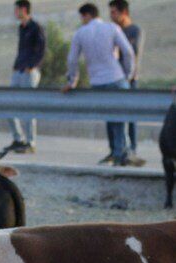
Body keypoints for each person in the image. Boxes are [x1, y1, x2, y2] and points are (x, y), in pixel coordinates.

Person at [64, 3, 136, 167]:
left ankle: (115, 151)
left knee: (110, 117)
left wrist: (72, 80)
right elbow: (129, 52)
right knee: (120, 117)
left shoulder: (80, 33)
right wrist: (128, 75)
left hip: (97, 81)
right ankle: (121, 153)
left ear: (87, 15)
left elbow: (72, 60)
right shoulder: (111, 28)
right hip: (116, 77)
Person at [5, 0, 45, 154]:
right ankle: (18, 139)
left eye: (16, 10)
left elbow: (42, 49)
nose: (15, 13)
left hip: (29, 71)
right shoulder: (21, 28)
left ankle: (30, 142)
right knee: (9, 105)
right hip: (18, 70)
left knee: (28, 107)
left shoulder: (36, 27)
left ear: (23, 9)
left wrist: (33, 66)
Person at [108, 0, 143, 160]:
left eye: (114, 12)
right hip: (114, 79)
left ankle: (132, 149)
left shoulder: (134, 31)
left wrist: (129, 76)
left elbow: (133, 55)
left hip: (129, 78)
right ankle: (115, 149)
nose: (111, 16)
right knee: (111, 114)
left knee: (130, 116)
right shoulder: (112, 30)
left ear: (124, 13)